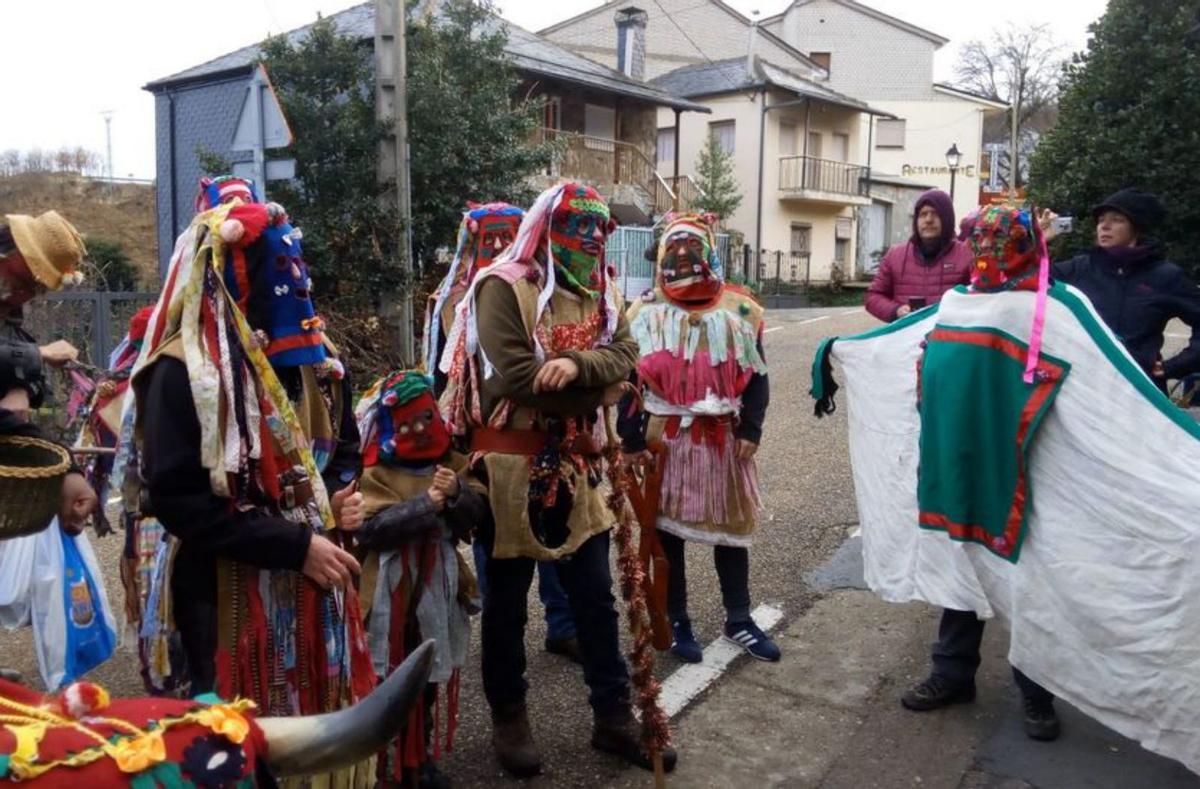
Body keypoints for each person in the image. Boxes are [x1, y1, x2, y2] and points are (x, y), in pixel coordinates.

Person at [132, 177, 375, 781]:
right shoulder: (181, 373)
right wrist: (294, 545)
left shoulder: (312, 364)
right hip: (223, 590)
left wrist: (343, 497)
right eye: (276, 271)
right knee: (232, 736)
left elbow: (342, 448)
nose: (293, 285)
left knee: (307, 726)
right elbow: (181, 500)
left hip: (309, 583)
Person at [439, 182, 676, 776]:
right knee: (508, 602)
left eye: (601, 229)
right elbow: (515, 378)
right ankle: (509, 717)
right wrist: (604, 387)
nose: (592, 237)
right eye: (578, 224)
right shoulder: (502, 286)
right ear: (547, 226)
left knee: (595, 595)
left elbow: (628, 351)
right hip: (510, 469)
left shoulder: (601, 288)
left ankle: (614, 716)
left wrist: (577, 365)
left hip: (581, 464)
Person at [899, 204, 1059, 741]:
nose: (988, 248)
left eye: (1001, 238)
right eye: (981, 238)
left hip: (1024, 471)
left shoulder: (1050, 309)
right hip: (962, 464)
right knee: (960, 569)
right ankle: (952, 674)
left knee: (1025, 582)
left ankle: (1037, 692)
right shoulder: (957, 303)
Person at [424, 201, 583, 663]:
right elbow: (443, 378)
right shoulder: (451, 302)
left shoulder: (543, 288)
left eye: (505, 235)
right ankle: (502, 647)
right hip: (490, 444)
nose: (496, 245)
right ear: (470, 243)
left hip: (551, 437)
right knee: (499, 559)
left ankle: (563, 624)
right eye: (486, 237)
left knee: (558, 536)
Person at [619, 212, 775, 663]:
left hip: (725, 437)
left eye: (693, 248)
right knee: (668, 535)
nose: (684, 256)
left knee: (732, 532)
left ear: (710, 254)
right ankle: (677, 618)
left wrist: (752, 427)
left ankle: (739, 619)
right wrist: (630, 442)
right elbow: (629, 384)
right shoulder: (644, 312)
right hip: (664, 438)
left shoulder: (740, 310)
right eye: (675, 249)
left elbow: (758, 376)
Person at [354, 369, 486, 789]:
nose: (419, 431)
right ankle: (380, 758)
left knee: (427, 666)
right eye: (408, 424)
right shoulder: (373, 471)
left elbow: (480, 517)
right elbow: (369, 530)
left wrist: (457, 496)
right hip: (389, 589)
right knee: (386, 671)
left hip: (436, 582)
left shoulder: (451, 464)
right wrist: (426, 506)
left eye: (426, 420)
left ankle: (420, 756)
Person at [1042, 189, 1200, 390]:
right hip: (1081, 391)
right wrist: (1037, 242)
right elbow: (1020, 281)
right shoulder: (1080, 268)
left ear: (1137, 228)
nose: (1104, 226)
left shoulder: (1165, 276)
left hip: (1138, 394)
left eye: (1117, 220)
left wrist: (1176, 366)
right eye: (1101, 220)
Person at [0, 211, 96, 532]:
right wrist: (38, 355)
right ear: (10, 254)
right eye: (26, 282)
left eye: (36, 290)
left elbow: (39, 386)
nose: (25, 295)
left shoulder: (9, 314)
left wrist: (21, 387)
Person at [865, 189, 973, 322]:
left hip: (950, 338)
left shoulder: (968, 255)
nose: (928, 220)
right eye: (923, 214)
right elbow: (873, 296)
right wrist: (896, 310)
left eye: (935, 214)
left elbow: (982, 298)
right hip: (906, 337)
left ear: (947, 218)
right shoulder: (895, 256)